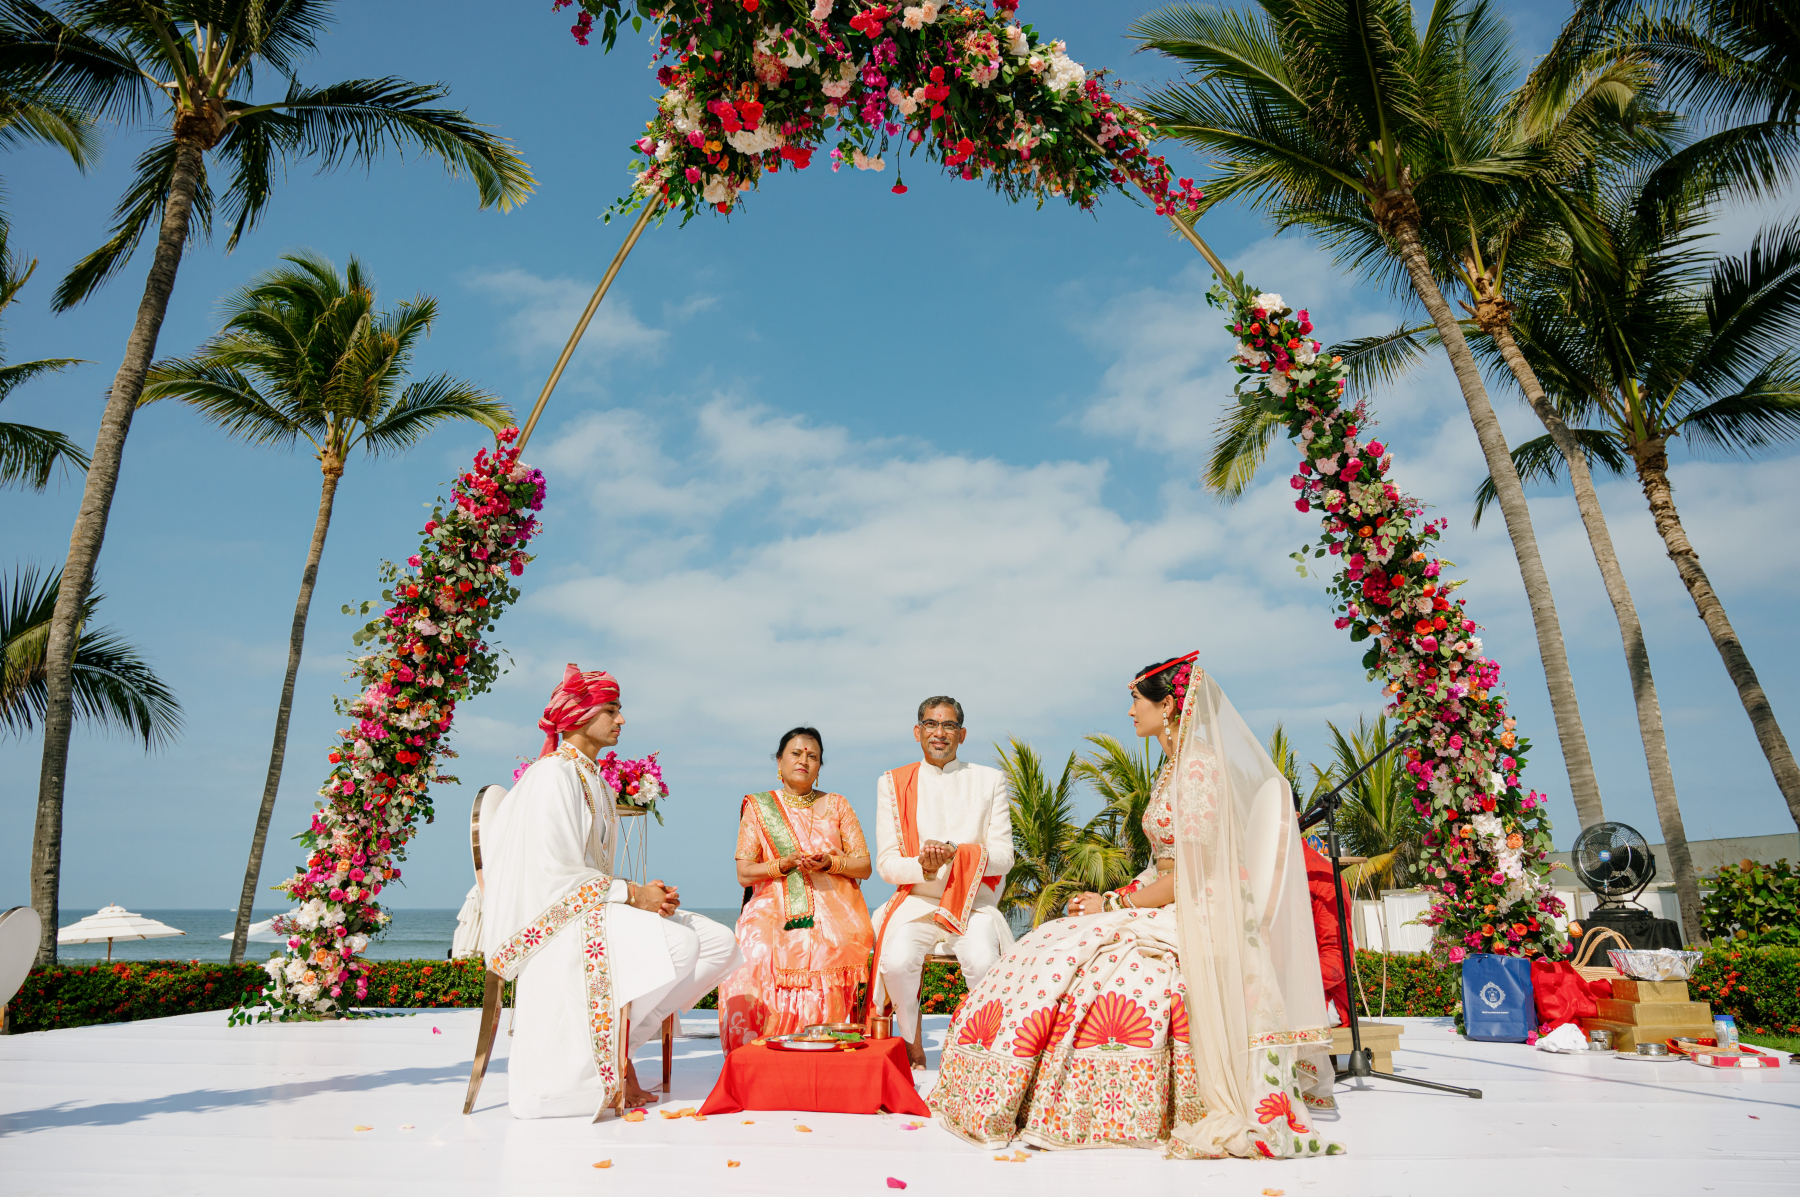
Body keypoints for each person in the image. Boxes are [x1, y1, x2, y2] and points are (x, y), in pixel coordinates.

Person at [930, 656, 1342, 1159]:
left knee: (1086, 959)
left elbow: (1192, 874)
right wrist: (1114, 901)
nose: (1129, 712)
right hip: (1170, 894)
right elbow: (1164, 864)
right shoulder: (1174, 766)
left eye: (1136, 701)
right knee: (1054, 940)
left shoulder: (1197, 768)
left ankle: (1086, 1103)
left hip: (1200, 905)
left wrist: (1114, 901)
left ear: (1166, 705)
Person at [479, 664, 742, 1118]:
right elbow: (550, 874)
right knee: (679, 944)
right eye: (612, 710)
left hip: (589, 905)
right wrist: (632, 895)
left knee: (720, 942)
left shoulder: (595, 781)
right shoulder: (551, 776)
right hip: (554, 919)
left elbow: (586, 869)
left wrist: (643, 894)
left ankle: (621, 1046)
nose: (621, 720)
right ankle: (608, 1060)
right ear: (579, 714)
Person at [869, 695, 1014, 1068]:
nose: (939, 733)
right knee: (897, 961)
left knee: (983, 961)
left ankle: (983, 1051)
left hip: (972, 904)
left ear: (961, 735)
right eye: (931, 724)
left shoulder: (989, 780)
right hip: (917, 902)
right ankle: (911, 1044)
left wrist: (957, 853)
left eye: (949, 725)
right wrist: (926, 868)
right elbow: (886, 865)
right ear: (917, 732)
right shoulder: (893, 783)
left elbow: (1004, 856)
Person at [717, 727, 875, 1049]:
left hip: (833, 905)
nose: (804, 760)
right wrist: (782, 864)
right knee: (758, 950)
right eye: (796, 753)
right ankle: (757, 1050)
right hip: (771, 904)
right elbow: (744, 873)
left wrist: (830, 863)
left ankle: (819, 1042)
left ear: (819, 767)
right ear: (779, 762)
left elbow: (864, 866)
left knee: (831, 945)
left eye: (812, 756)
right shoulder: (759, 807)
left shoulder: (838, 804)